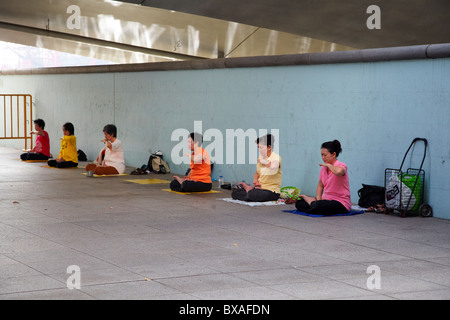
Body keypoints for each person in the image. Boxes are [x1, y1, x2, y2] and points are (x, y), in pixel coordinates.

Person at [295, 139, 351, 215]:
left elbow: (338, 172)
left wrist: (329, 165)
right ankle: (313, 203)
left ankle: (311, 202)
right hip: (325, 201)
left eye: (325, 155)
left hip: (340, 202)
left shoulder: (341, 165)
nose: (323, 157)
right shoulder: (323, 168)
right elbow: (320, 186)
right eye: (322, 155)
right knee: (299, 203)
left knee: (318, 206)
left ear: (333, 154)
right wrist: (318, 199)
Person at [231, 134, 282, 202]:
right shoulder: (260, 157)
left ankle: (249, 191)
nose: (259, 150)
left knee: (253, 194)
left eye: (261, 148)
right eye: (258, 147)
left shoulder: (276, 157)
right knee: (235, 193)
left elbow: (273, 166)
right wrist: (255, 181)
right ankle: (249, 192)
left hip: (271, 191)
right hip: (259, 189)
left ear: (269, 147)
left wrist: (263, 161)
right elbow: (257, 173)